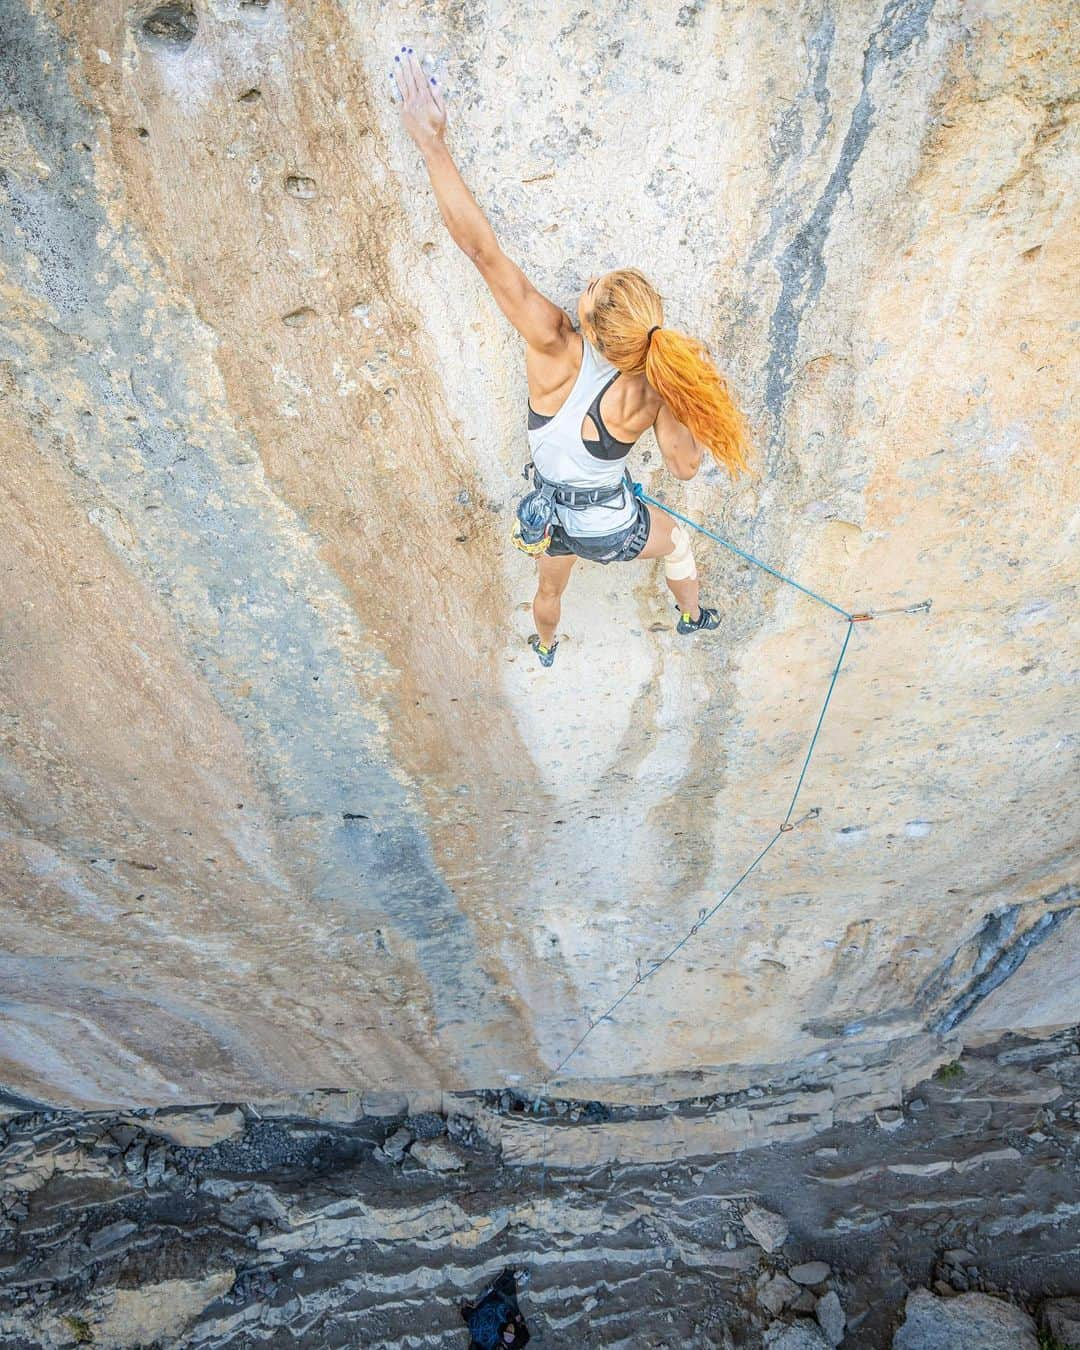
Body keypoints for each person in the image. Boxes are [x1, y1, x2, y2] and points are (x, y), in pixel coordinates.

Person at [390, 48, 749, 668]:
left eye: (588, 289)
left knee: (548, 588)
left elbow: (483, 252)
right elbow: (685, 469)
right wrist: (687, 396)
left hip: (547, 514)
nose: (583, 282)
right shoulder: (653, 391)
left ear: (588, 324)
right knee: (678, 541)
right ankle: (691, 615)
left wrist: (433, 143)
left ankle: (547, 646)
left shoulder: (553, 342)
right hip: (608, 527)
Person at [459, 1267, 531, 1348]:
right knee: (507, 1301)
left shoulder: (479, 1332)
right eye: (510, 1331)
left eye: (508, 1330)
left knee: (496, 1295)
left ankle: (512, 1279)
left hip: (489, 1307)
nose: (509, 1329)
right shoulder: (505, 1337)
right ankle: (513, 1280)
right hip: (501, 1313)